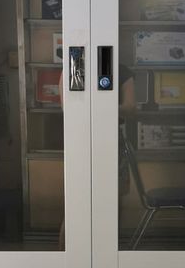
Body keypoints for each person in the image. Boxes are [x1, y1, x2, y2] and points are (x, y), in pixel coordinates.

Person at [57, 63, 136, 248]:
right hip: (82, 139)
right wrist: (99, 107)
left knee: (112, 198)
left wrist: (104, 107)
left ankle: (108, 249)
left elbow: (131, 107)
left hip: (108, 139)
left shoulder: (120, 69)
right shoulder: (74, 66)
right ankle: (68, 251)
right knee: (78, 200)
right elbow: (67, 106)